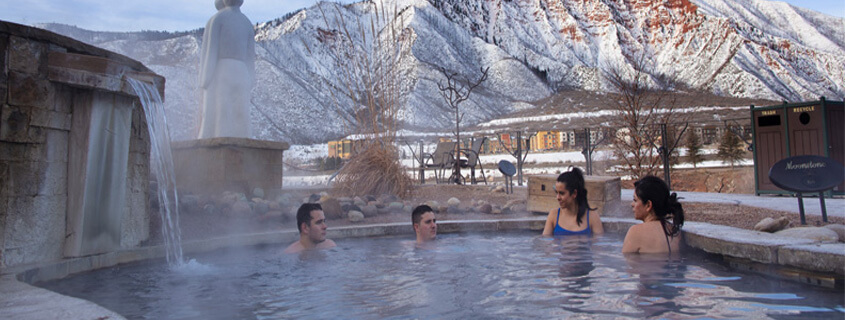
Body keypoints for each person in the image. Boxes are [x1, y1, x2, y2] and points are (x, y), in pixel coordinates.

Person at [197, 0, 255, 139]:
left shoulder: (218, 19)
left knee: (223, 108)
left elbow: (211, 49)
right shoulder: (247, 23)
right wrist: (251, 78)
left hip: (223, 68)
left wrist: (205, 78)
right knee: (241, 111)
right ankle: (244, 137)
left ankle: (220, 138)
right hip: (242, 71)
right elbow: (250, 56)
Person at [622, 175, 685, 254]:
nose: (632, 204)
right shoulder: (674, 231)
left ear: (648, 205)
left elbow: (627, 263)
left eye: (635, 200)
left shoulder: (636, 232)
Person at [542, 167, 604, 236]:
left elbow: (599, 244)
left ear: (574, 193)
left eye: (562, 193)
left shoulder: (592, 217)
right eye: (556, 193)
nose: (558, 197)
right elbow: (546, 243)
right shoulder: (554, 215)